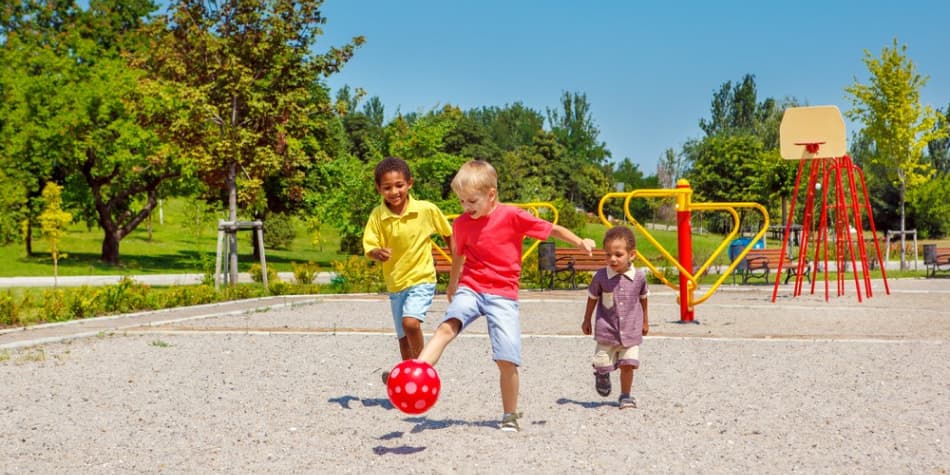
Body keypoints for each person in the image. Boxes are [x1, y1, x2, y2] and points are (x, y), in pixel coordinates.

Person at [415, 160, 596, 432]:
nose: (466, 208)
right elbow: (458, 255)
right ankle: (416, 373)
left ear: (491, 194)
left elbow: (551, 229)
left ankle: (509, 414)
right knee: (445, 327)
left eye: (471, 201)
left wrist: (581, 241)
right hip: (471, 288)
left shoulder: (512, 216)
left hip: (502, 294)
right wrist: (453, 285)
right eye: (462, 201)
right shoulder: (463, 224)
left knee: (506, 358)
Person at [363, 157, 453, 373]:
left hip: (422, 278)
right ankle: (408, 375)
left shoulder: (425, 210)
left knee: (410, 323)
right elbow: (370, 245)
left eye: (399, 185)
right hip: (396, 284)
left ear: (410, 183)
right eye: (387, 187)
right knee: (403, 339)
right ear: (378, 189)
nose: (394, 191)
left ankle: (424, 368)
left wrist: (458, 265)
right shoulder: (378, 216)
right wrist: (377, 252)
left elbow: (449, 234)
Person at [581, 225, 649, 409]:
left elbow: (643, 299)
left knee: (628, 364)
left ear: (631, 255)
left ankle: (626, 396)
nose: (612, 259)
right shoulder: (601, 276)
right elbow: (592, 297)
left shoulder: (639, 277)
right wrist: (587, 319)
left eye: (618, 254)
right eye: (608, 254)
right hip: (607, 330)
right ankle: (602, 374)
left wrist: (645, 321)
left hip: (631, 331)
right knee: (602, 363)